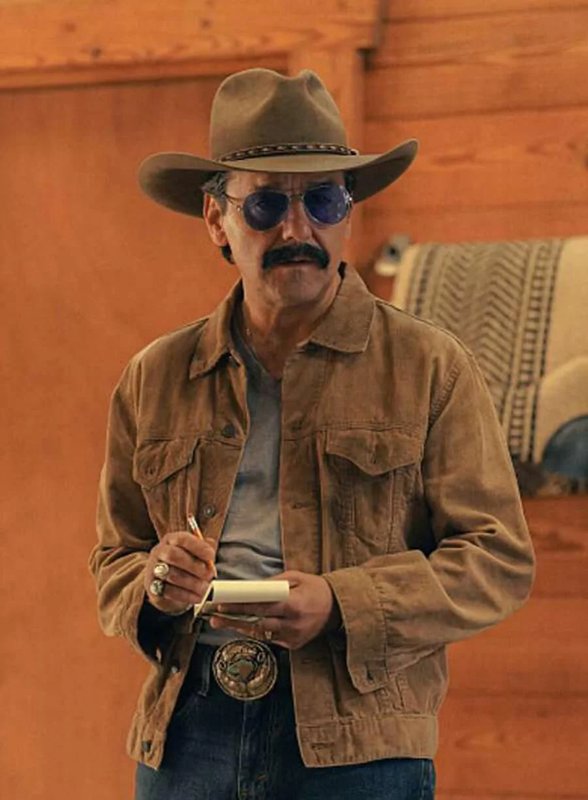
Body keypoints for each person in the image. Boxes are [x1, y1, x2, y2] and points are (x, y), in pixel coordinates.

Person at [89, 68, 535, 800]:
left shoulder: (429, 365)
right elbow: (116, 557)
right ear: (216, 220)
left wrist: (342, 602)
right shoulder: (155, 376)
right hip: (187, 732)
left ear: (347, 213)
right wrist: (156, 584)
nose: (297, 230)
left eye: (323, 200)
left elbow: (498, 558)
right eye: (266, 204)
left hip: (362, 741)